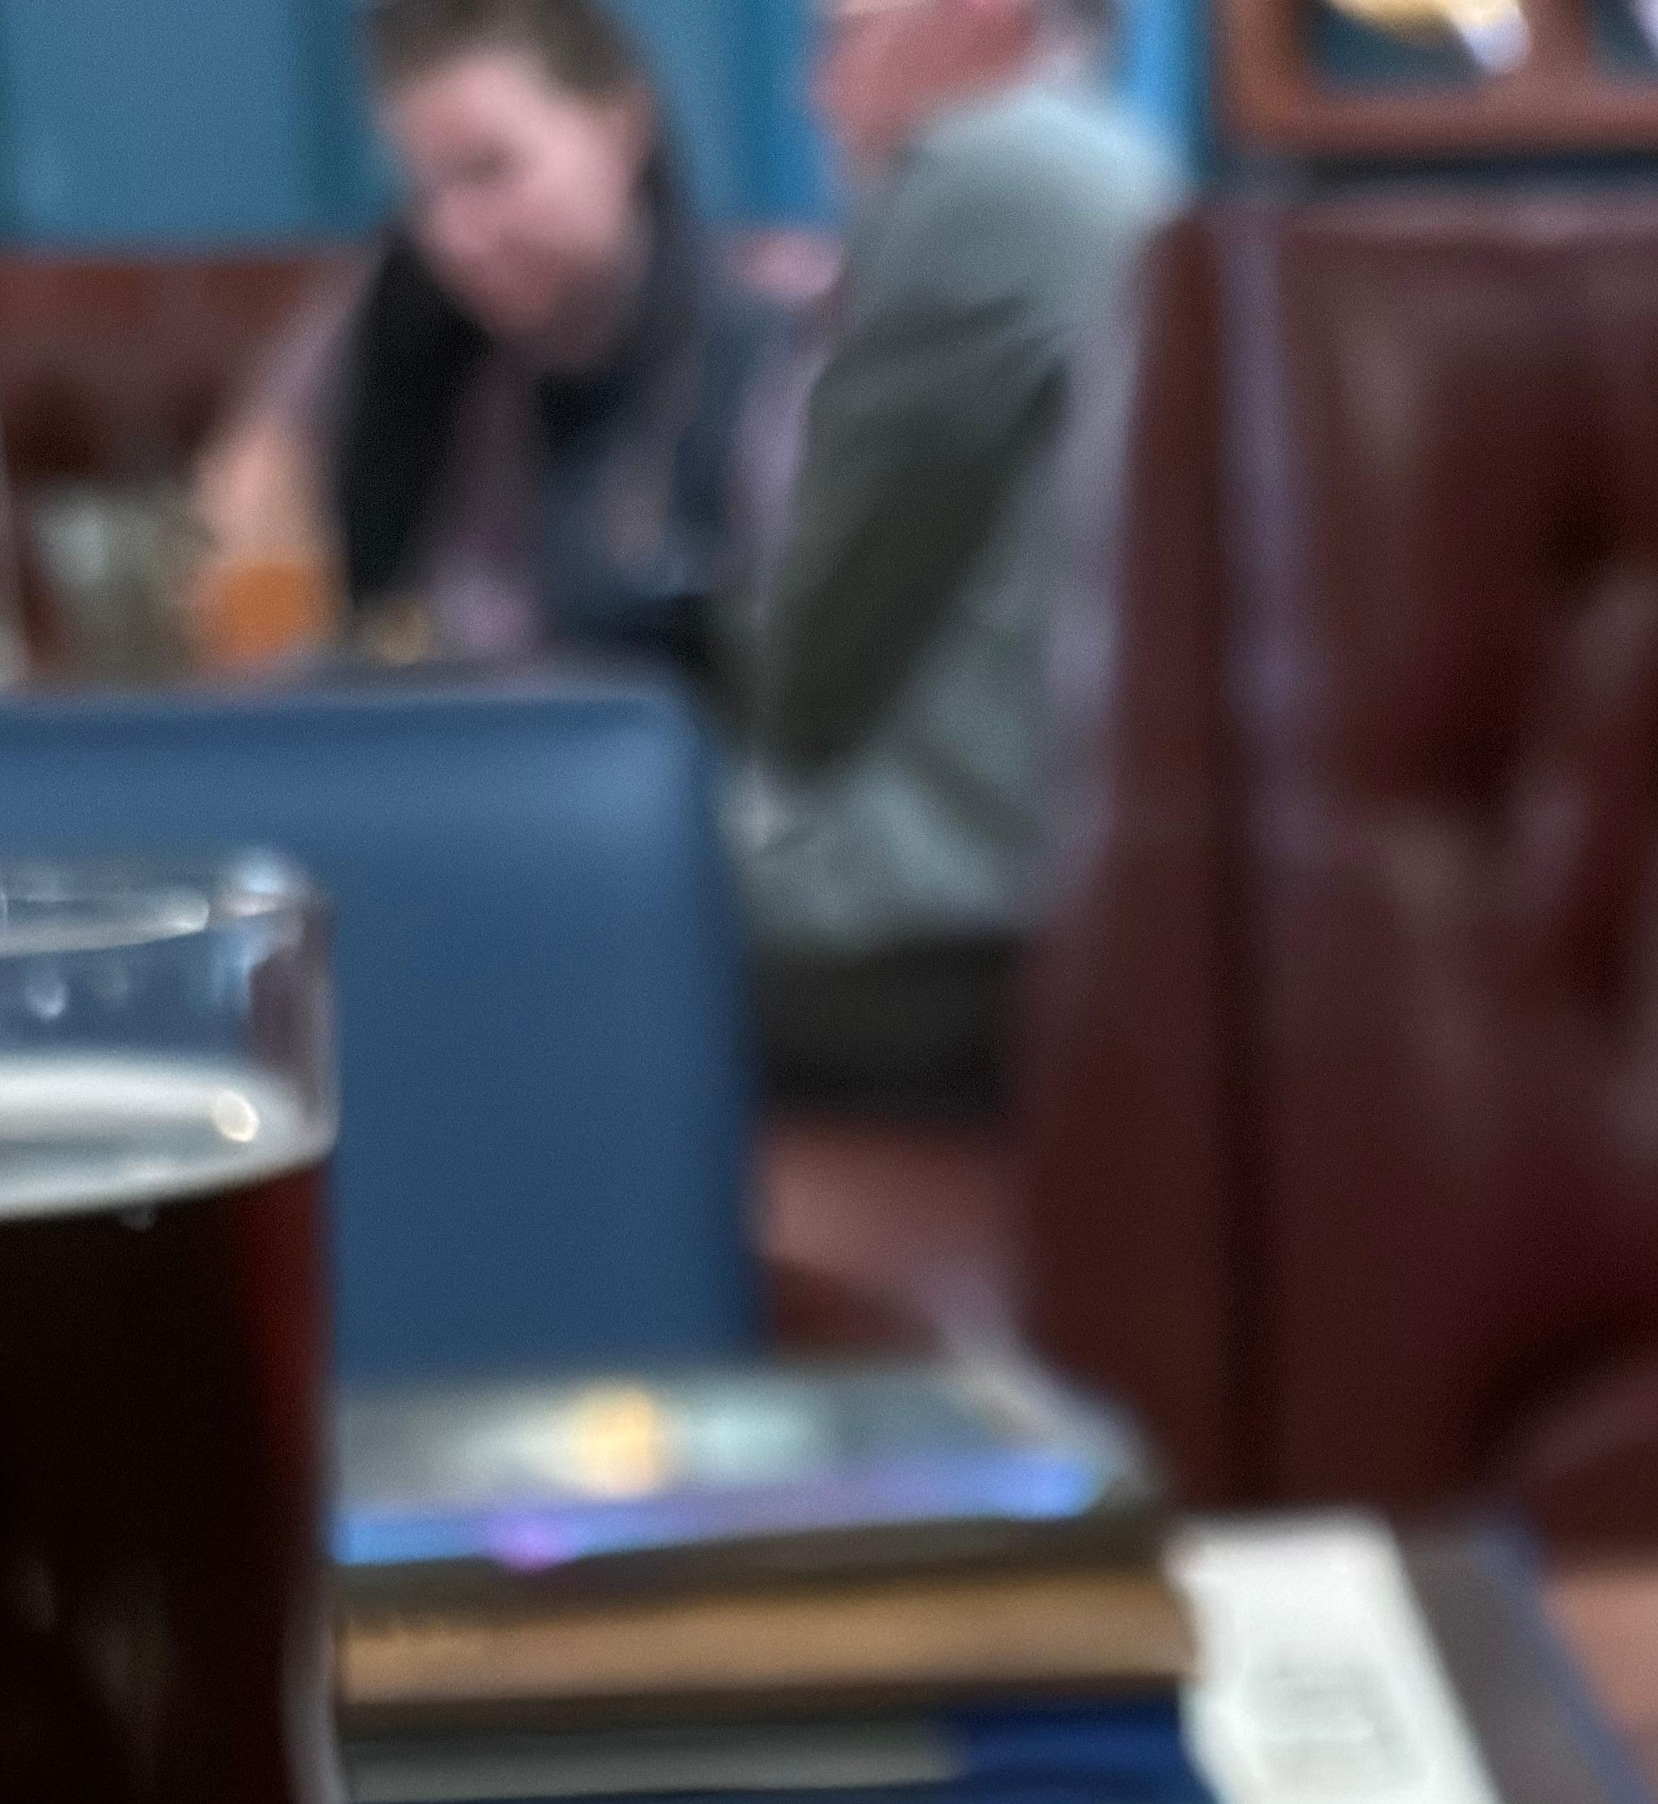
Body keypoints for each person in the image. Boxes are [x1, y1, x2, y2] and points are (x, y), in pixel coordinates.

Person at [737, 0, 1177, 1116]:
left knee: (552, 924)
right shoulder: (1121, 164)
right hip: (1084, 896)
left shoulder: (983, 172)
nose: (813, 94)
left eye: (841, 34)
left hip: (952, 919)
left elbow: (813, 662)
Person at [201, 0, 772, 683]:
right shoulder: (391, 314)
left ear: (621, 125)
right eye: (424, 188)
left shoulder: (766, 348)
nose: (452, 234)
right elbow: (251, 492)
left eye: (490, 169)